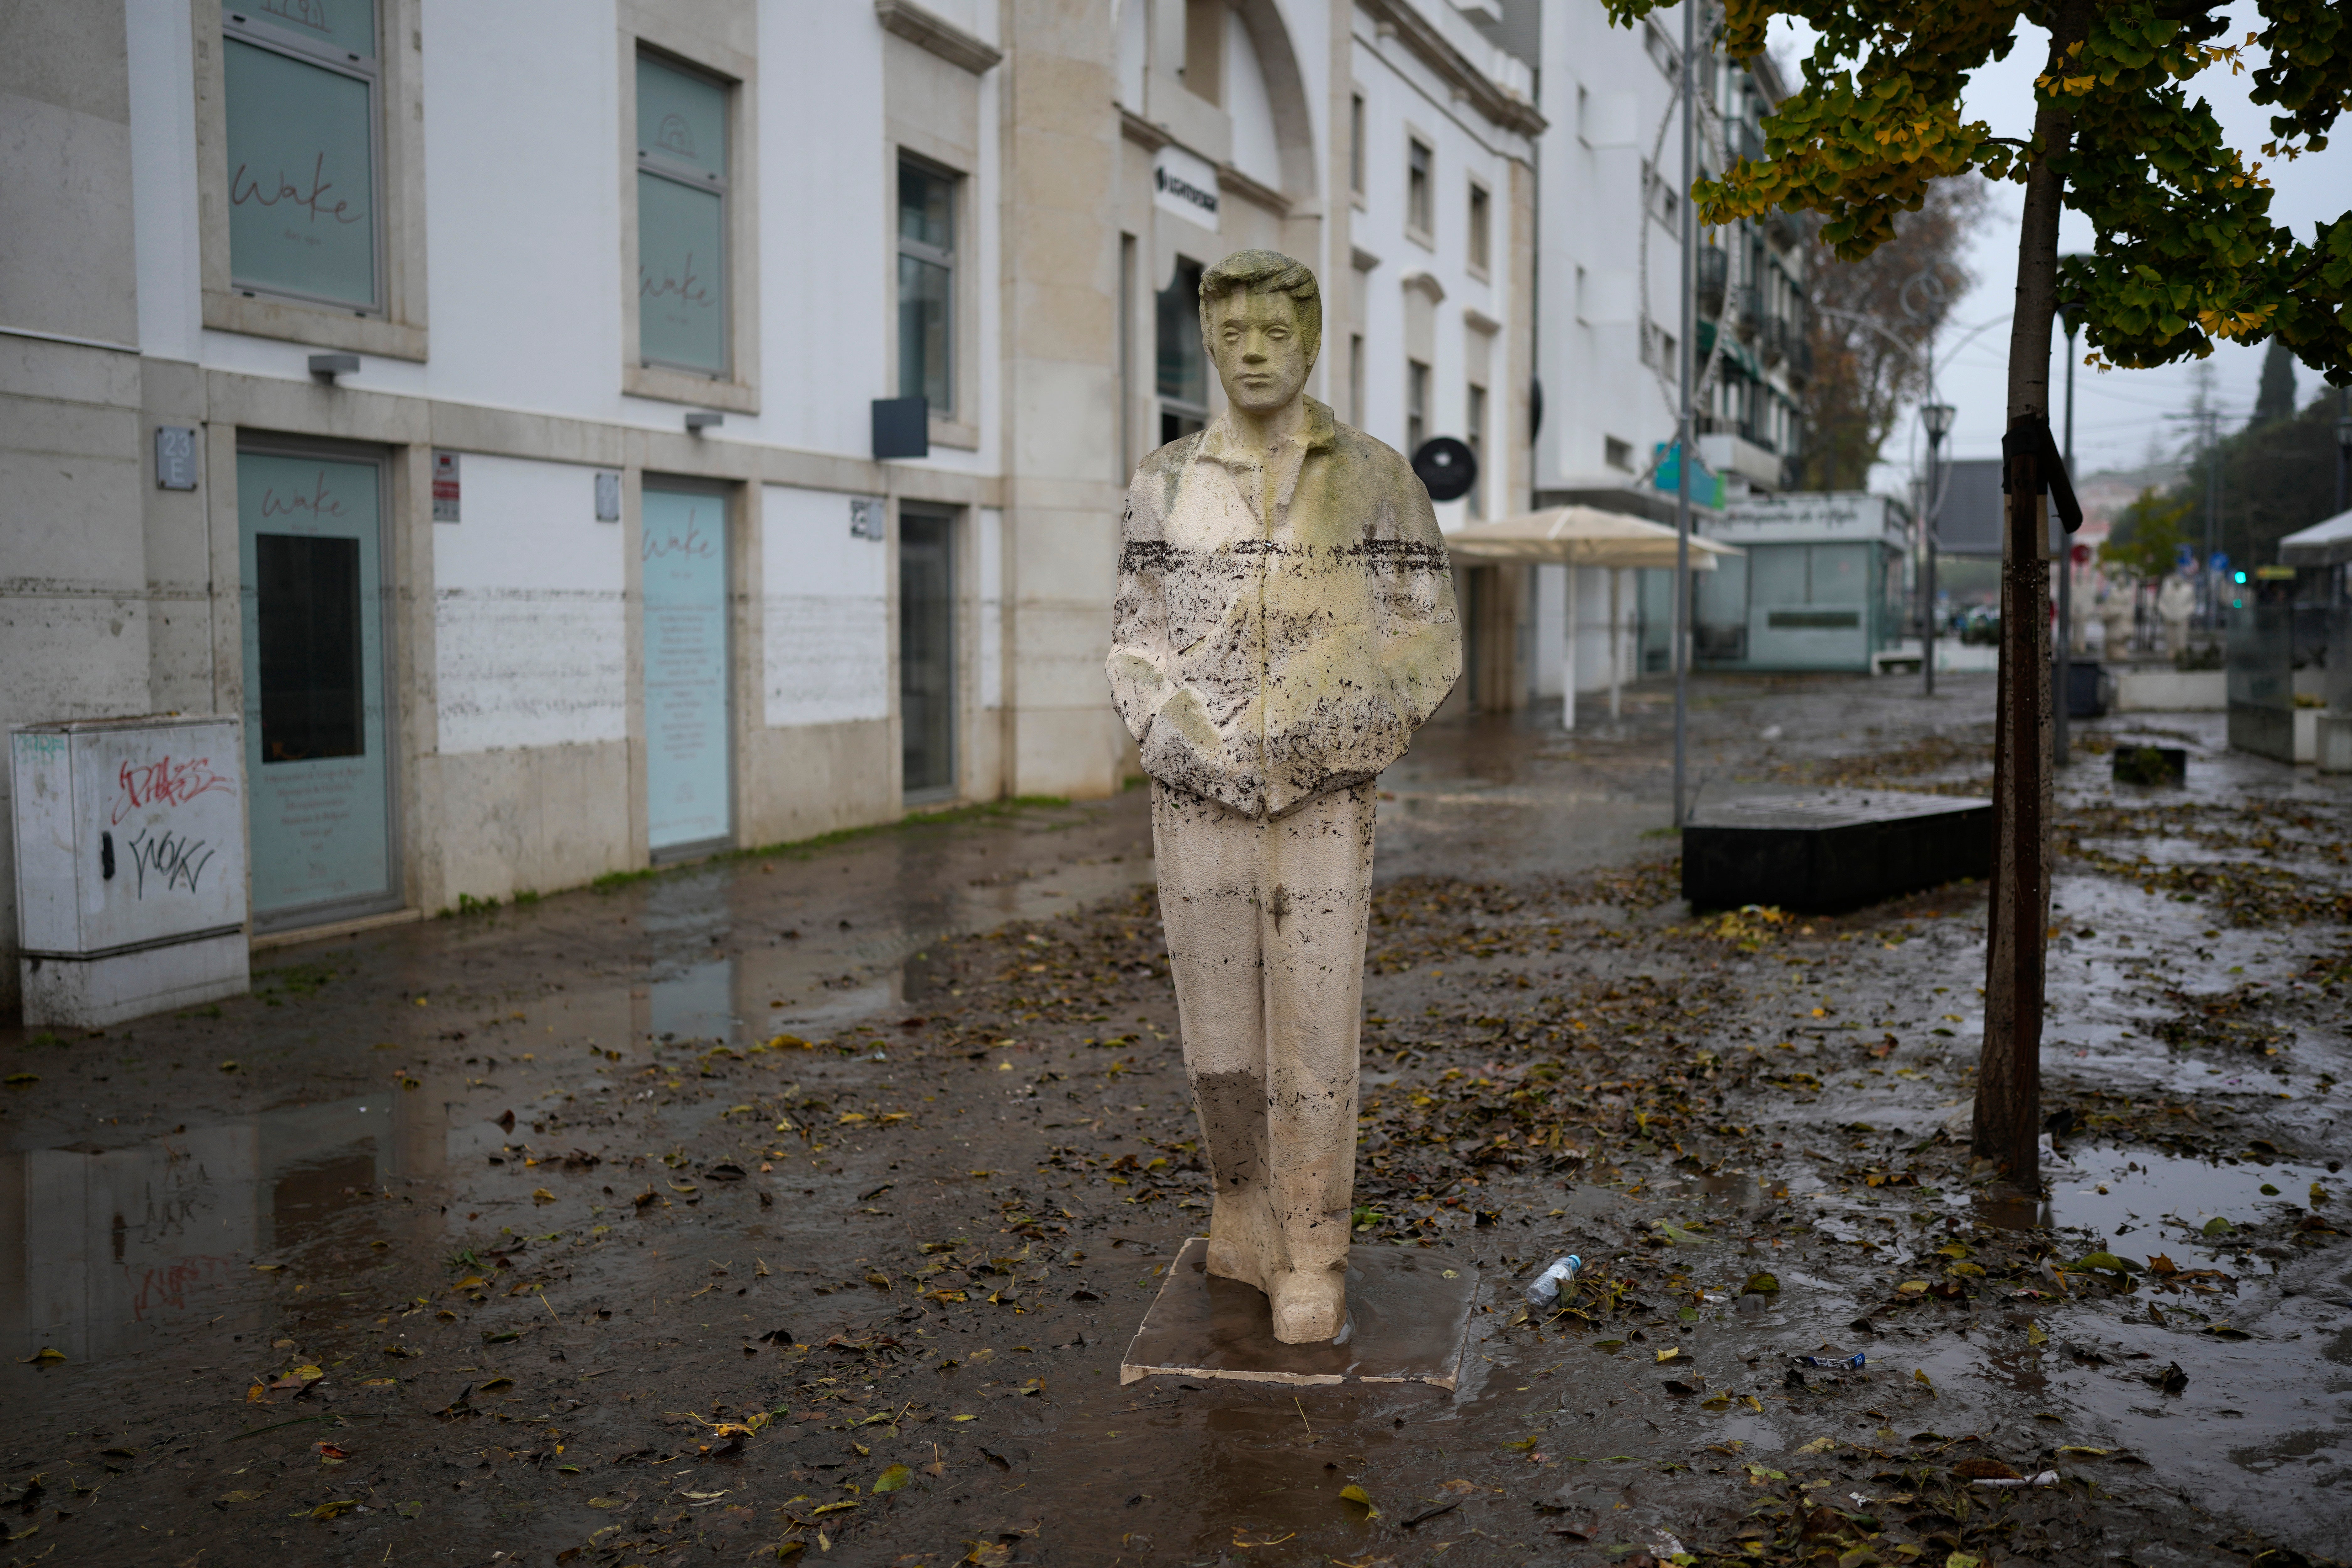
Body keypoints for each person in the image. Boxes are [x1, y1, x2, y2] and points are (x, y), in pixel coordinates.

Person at [1105, 250, 1460, 1343]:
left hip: (1322, 797)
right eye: (1232, 336)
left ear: (1310, 342)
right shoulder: (1165, 483)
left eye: (1273, 334)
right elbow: (1133, 643)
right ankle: (1240, 1208)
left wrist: (1328, 741)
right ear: (1209, 346)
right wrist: (1186, 744)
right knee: (1216, 1032)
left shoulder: (1375, 478)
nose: (1252, 353)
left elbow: (1427, 639)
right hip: (1194, 794)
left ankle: (1313, 1247)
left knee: (1312, 1026)